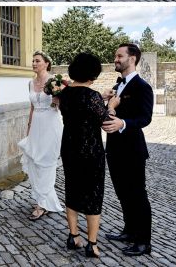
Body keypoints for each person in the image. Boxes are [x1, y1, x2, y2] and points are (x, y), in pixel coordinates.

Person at [59, 52, 119, 258]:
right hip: (90, 152)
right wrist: (111, 105)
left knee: (72, 189)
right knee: (93, 194)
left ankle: (73, 236)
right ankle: (92, 244)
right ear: (92, 73)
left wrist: (100, 98)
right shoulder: (92, 96)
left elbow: (79, 108)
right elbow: (106, 122)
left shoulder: (64, 94)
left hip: (68, 148)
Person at [102, 44, 154, 256]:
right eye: (115, 55)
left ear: (132, 59)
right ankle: (129, 231)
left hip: (132, 149)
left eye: (119, 56)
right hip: (114, 148)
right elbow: (112, 112)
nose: (116, 59)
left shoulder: (143, 87)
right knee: (122, 193)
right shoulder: (117, 84)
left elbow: (145, 118)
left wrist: (122, 123)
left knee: (137, 195)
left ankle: (143, 241)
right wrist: (107, 104)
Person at [17, 51, 64, 220]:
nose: (34, 63)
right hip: (36, 124)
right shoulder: (30, 83)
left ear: (46, 63)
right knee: (35, 161)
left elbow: (60, 105)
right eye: (33, 61)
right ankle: (44, 199)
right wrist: (29, 128)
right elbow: (31, 107)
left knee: (47, 163)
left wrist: (57, 98)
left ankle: (42, 205)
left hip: (51, 124)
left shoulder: (54, 81)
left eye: (37, 61)